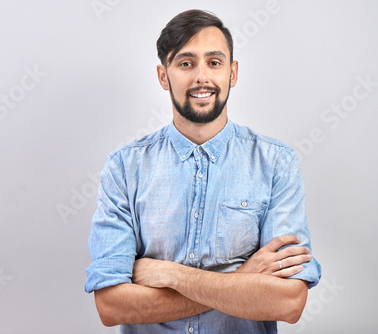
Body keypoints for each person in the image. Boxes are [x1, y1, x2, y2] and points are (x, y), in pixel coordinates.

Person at [85, 9, 321, 333]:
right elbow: (111, 306)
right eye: (185, 63)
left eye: (214, 62)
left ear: (232, 73)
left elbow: (288, 303)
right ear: (163, 76)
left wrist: (171, 275)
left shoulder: (276, 164)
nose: (202, 78)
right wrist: (243, 280)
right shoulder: (124, 169)